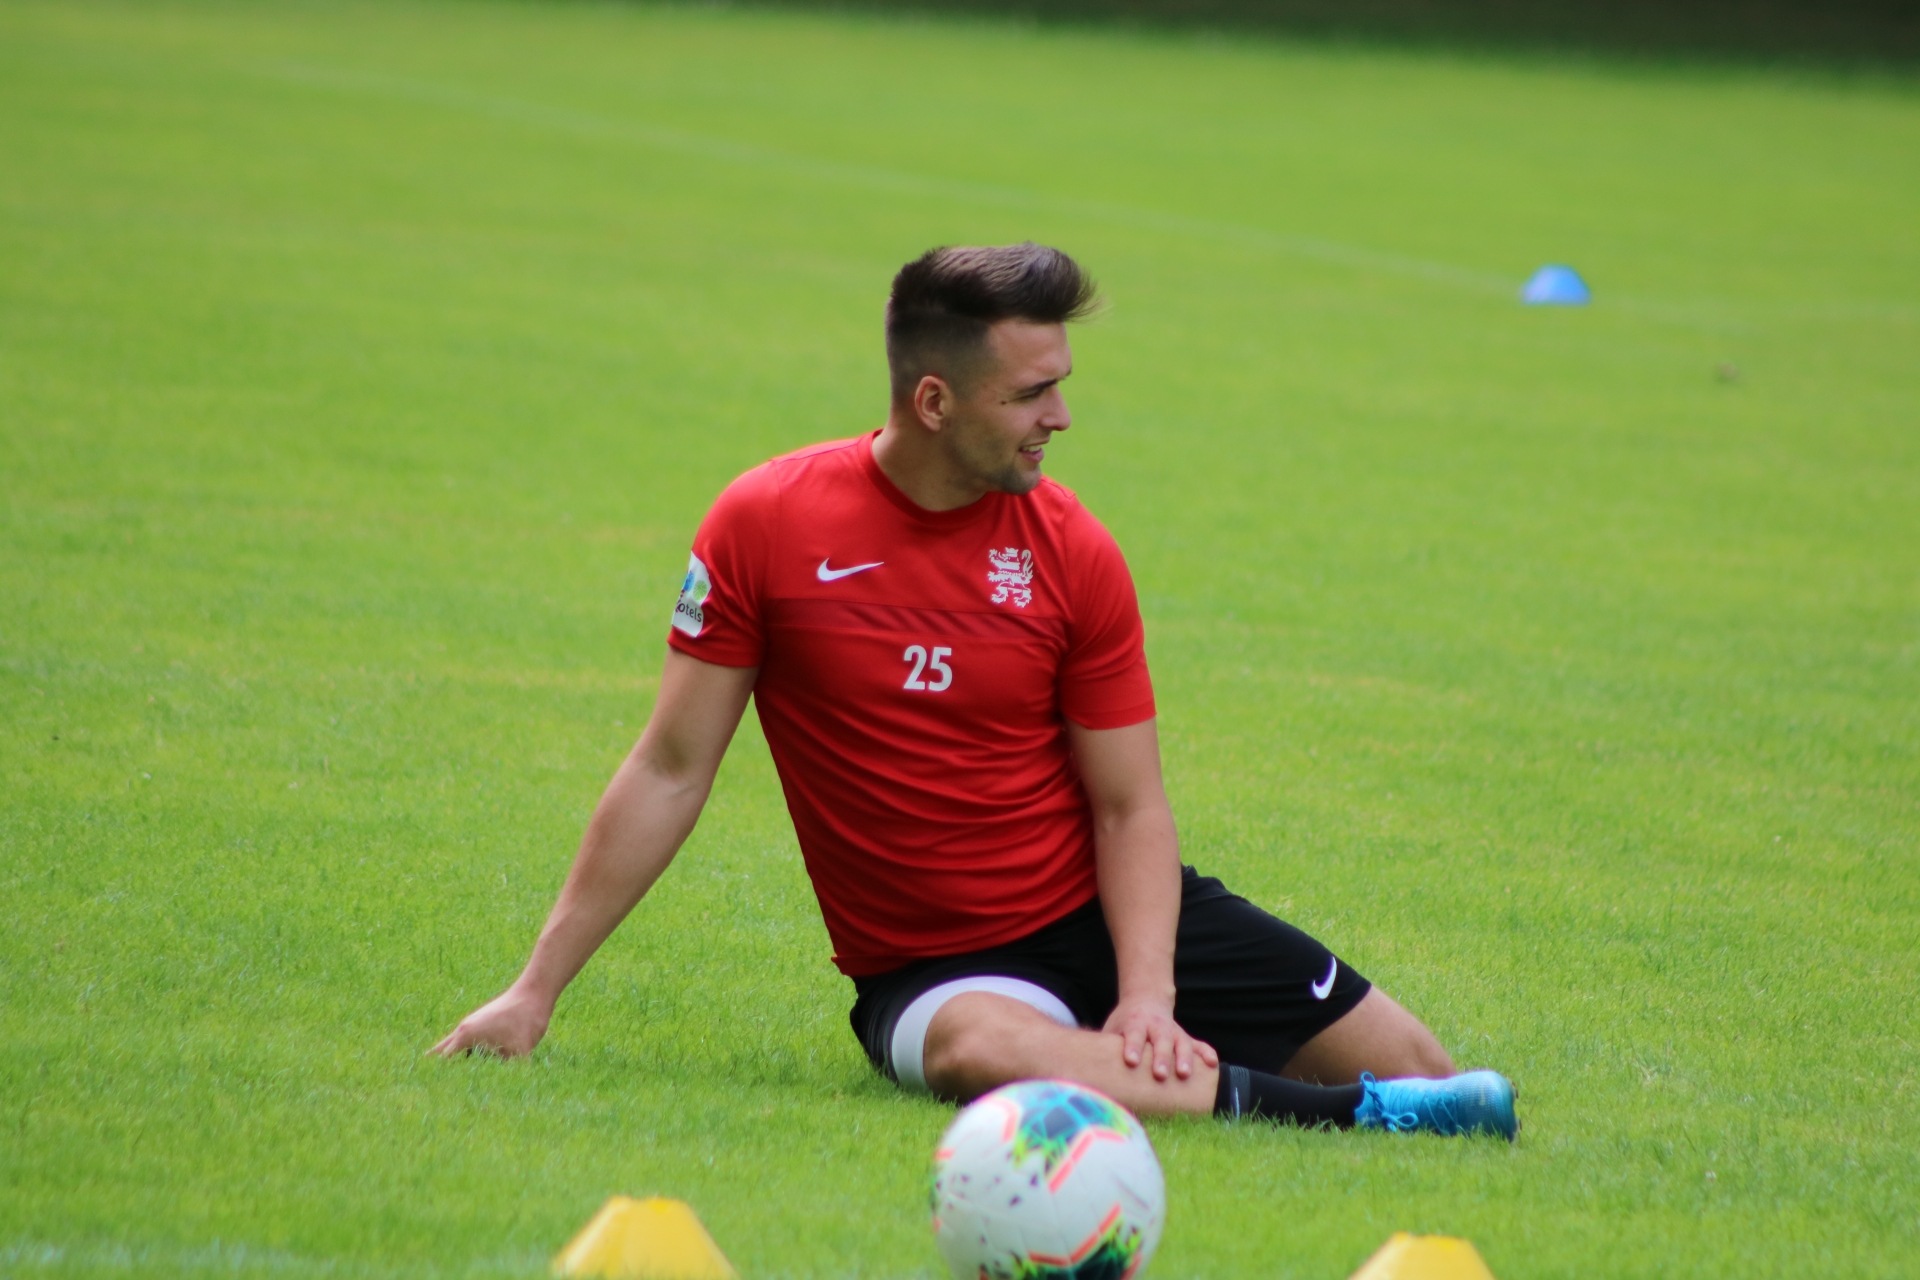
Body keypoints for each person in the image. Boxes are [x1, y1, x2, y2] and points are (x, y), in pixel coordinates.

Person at [434, 243, 1517, 1139]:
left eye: (1062, 385)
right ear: (935, 400)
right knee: (980, 1051)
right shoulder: (766, 524)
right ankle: (1347, 1119)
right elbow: (671, 770)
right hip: (937, 970)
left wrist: (1149, 995)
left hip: (1101, 910)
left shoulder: (1073, 548)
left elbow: (1128, 804)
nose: (1061, 416)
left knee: (1423, 1063)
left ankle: (1201, 1068)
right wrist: (534, 991)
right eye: (1032, 392)